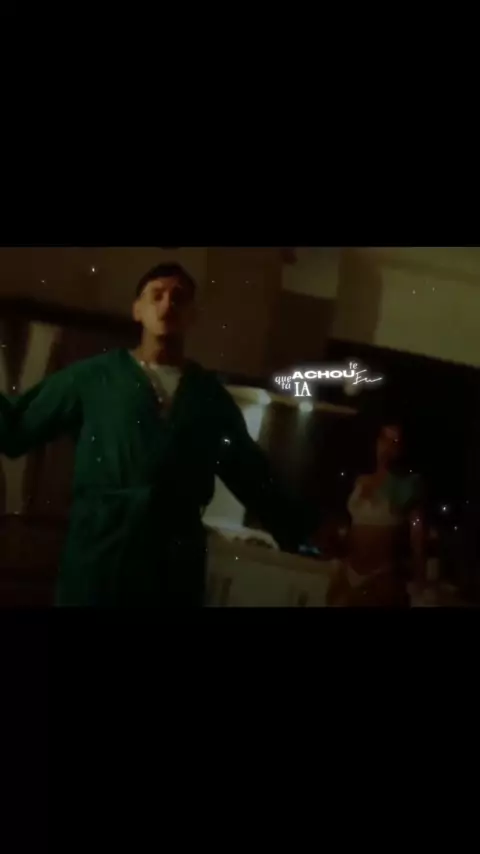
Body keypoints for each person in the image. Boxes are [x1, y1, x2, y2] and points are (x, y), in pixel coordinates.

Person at [0, 263, 314, 607]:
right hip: (100, 559)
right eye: (157, 295)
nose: (167, 304)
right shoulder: (93, 378)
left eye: (179, 298)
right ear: (137, 309)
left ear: (192, 315)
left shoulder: (208, 397)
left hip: (172, 568)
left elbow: (252, 475)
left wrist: (309, 530)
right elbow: (16, 427)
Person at [326, 423, 426, 607]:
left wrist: (420, 578)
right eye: (384, 438)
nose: (387, 446)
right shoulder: (361, 481)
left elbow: (417, 534)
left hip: (380, 575)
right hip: (349, 570)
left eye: (394, 441)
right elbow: (349, 526)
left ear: (401, 450)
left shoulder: (406, 486)